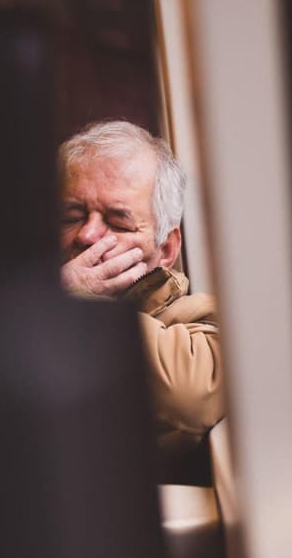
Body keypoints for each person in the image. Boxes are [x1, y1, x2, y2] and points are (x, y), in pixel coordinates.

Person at [58, 120, 224, 463]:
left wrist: (75, 299)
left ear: (166, 248)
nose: (87, 235)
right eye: (71, 216)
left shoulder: (204, 320)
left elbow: (188, 396)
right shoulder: (26, 311)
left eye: (118, 222)